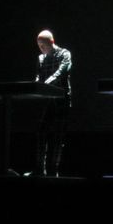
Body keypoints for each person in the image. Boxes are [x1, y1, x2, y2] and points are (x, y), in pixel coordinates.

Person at [33, 30, 72, 177]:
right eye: (39, 45)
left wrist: (46, 84)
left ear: (52, 42)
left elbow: (61, 72)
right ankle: (39, 169)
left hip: (62, 100)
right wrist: (37, 85)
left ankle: (54, 170)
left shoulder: (64, 54)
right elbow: (38, 76)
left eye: (43, 45)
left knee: (58, 135)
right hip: (47, 100)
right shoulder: (41, 58)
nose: (41, 48)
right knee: (41, 132)